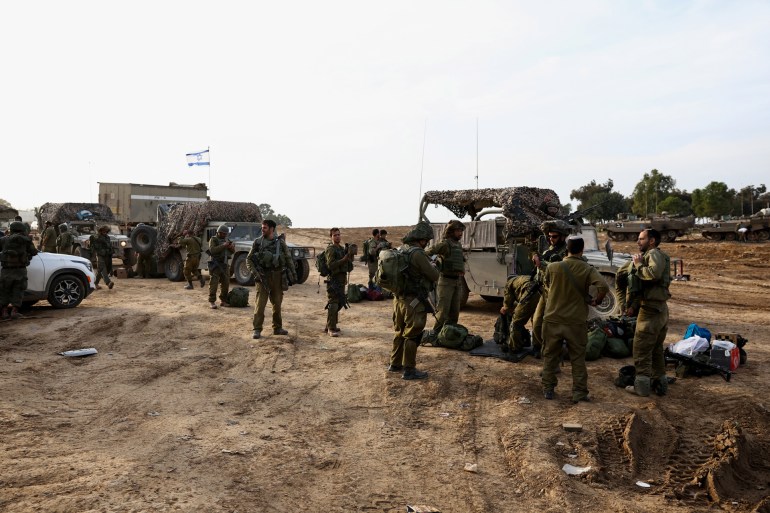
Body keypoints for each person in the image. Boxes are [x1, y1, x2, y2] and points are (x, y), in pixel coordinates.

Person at [541, 237, 608, 402]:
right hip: (576, 322)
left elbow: (546, 284)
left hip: (553, 319)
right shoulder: (587, 269)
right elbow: (603, 286)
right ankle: (579, 392)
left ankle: (548, 389)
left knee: (550, 355)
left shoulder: (553, 267)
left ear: (566, 249)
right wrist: (597, 300)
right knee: (577, 358)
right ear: (582, 250)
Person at [389, 222, 440, 380]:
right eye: (426, 240)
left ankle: (395, 364)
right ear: (421, 239)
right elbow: (434, 276)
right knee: (413, 334)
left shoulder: (401, 249)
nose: (427, 243)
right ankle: (409, 369)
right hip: (413, 301)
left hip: (398, 299)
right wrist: (436, 265)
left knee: (399, 332)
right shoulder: (417, 254)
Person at [626, 228, 672, 397]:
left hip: (651, 312)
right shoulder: (655, 255)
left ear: (651, 241)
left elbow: (653, 274)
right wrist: (633, 305)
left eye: (641, 239)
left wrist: (638, 265)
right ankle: (660, 384)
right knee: (656, 350)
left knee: (641, 350)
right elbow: (646, 287)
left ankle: (642, 387)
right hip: (658, 309)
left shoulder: (653, 254)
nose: (638, 242)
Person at [246, 219, 297, 339]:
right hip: (262, 277)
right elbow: (248, 260)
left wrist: (293, 275)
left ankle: (277, 328)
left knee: (277, 305)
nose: (262, 229)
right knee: (260, 305)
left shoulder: (280, 243)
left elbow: (288, 259)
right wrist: (255, 273)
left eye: (265, 228)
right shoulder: (258, 242)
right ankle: (257, 329)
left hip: (277, 277)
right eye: (262, 227)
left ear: (272, 229)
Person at [530, 225, 569, 358]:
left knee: (554, 327)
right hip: (544, 291)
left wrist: (541, 264)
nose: (551, 239)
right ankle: (539, 346)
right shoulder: (549, 250)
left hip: (557, 294)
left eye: (554, 236)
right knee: (536, 323)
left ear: (563, 237)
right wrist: (536, 256)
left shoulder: (567, 253)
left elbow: (559, 271)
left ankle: (553, 352)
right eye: (550, 236)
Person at [426, 220, 465, 334]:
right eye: (458, 230)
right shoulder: (445, 244)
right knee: (443, 311)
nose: (460, 233)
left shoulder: (457, 244)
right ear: (451, 231)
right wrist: (435, 264)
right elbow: (428, 253)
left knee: (454, 312)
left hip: (457, 281)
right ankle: (435, 334)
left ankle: (449, 334)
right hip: (446, 281)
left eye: (461, 230)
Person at [0, 221, 38, 320]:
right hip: (20, 270)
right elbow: (34, 252)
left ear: (11, 229)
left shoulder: (3, 240)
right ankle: (14, 311)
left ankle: (4, 312)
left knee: (4, 291)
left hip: (6, 271)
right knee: (18, 290)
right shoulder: (26, 240)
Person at [499, 274, 541, 362]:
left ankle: (514, 349)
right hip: (540, 293)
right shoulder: (523, 278)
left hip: (530, 293)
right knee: (537, 322)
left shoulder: (509, 283)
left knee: (516, 322)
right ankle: (537, 348)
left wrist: (504, 308)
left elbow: (507, 304)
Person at [324, 228, 355, 337]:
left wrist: (350, 257)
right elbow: (330, 265)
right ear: (331, 237)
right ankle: (331, 328)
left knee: (341, 302)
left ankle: (329, 324)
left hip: (342, 279)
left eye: (338, 235)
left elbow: (348, 266)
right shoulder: (331, 249)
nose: (337, 237)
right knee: (333, 303)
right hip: (333, 279)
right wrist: (344, 259)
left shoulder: (341, 249)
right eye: (335, 235)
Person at [207, 224, 235, 309]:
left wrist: (231, 247)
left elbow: (233, 251)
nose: (224, 235)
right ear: (218, 232)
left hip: (225, 264)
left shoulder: (226, 240)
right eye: (222, 233)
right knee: (214, 283)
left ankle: (223, 300)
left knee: (226, 283)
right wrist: (224, 245)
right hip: (215, 264)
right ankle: (212, 301)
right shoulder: (213, 239)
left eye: (225, 234)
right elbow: (212, 250)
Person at [89, 225, 115, 290]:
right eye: (103, 231)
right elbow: (92, 246)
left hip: (107, 255)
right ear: (100, 231)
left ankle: (95, 283)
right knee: (103, 268)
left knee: (100, 270)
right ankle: (108, 282)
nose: (105, 232)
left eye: (106, 231)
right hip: (100, 255)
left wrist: (111, 252)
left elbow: (109, 246)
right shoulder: (96, 237)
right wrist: (92, 256)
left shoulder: (107, 237)